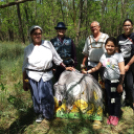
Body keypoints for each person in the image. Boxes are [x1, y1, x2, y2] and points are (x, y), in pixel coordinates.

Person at [22, 25, 74, 123]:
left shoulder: (48, 44)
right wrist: (24, 82)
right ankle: (39, 113)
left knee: (47, 95)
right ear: (31, 35)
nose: (37, 35)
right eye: (35, 34)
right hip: (33, 76)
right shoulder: (27, 49)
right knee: (36, 96)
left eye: (39, 33)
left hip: (46, 74)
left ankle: (48, 113)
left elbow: (56, 58)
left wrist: (65, 67)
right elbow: (24, 66)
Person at [83, 37, 125, 126]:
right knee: (109, 99)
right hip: (107, 82)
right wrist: (87, 71)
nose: (109, 47)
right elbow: (97, 67)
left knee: (115, 99)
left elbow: (122, 71)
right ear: (105, 46)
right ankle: (110, 115)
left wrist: (120, 84)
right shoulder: (103, 56)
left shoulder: (118, 56)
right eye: (108, 45)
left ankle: (116, 115)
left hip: (116, 82)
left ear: (115, 46)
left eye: (112, 46)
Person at [117, 19, 134, 110]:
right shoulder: (119, 38)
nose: (127, 27)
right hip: (120, 64)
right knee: (120, 83)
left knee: (130, 85)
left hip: (130, 65)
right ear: (123, 26)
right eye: (125, 25)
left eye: (129, 25)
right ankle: (123, 101)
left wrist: (128, 65)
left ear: (131, 26)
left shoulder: (133, 36)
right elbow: (116, 50)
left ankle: (132, 102)